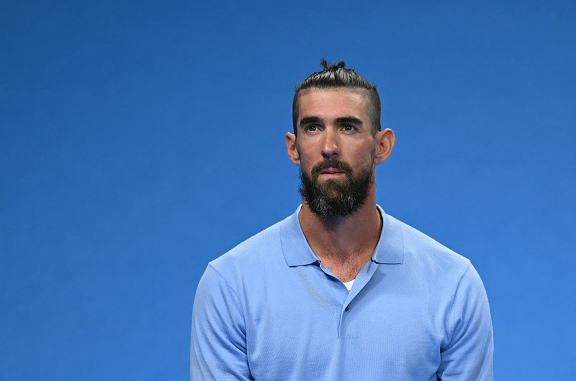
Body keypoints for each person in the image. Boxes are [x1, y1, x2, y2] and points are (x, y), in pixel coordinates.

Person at [190, 60, 493, 380]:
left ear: (382, 145)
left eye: (348, 127)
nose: (329, 147)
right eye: (313, 127)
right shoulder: (230, 285)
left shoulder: (454, 284)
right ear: (294, 148)